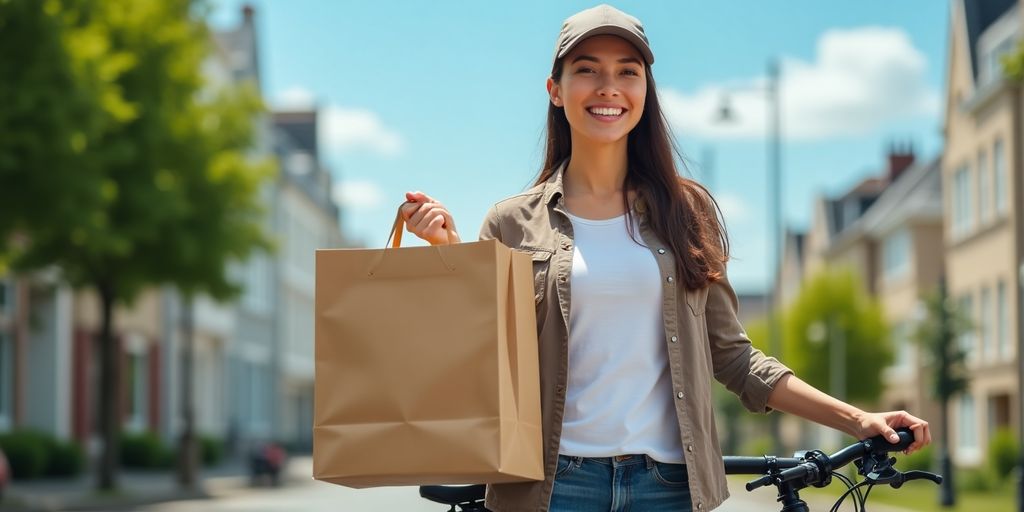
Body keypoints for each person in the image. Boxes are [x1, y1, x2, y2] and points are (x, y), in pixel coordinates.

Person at [400, 5, 931, 512]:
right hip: (553, 486)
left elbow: (733, 356)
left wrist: (858, 418)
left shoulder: (686, 210)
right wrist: (450, 253)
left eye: (627, 71)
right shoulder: (511, 222)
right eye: (587, 70)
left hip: (668, 486)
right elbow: (492, 358)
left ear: (645, 91)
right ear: (555, 91)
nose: (608, 86)